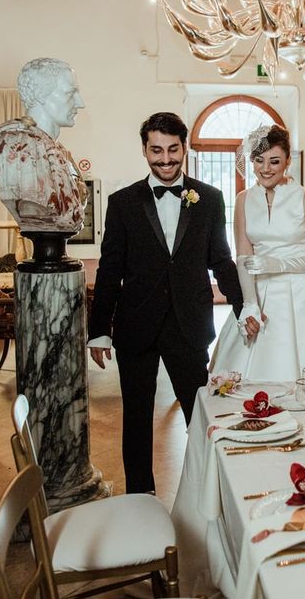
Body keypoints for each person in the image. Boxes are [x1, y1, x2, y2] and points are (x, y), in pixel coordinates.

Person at [87, 112, 258, 494]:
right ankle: (140, 495)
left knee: (200, 414)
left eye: (173, 150)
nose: (165, 159)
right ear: (145, 149)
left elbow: (220, 259)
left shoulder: (210, 199)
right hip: (136, 326)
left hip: (189, 324)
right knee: (137, 418)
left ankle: (208, 489)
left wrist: (243, 305)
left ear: (185, 147)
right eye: (156, 150)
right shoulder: (122, 202)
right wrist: (99, 330)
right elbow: (110, 268)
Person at [210, 123, 305, 382]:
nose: (265, 168)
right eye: (259, 160)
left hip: (297, 295)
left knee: (302, 372)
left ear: (288, 161)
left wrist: (278, 264)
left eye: (274, 161)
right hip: (258, 293)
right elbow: (243, 257)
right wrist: (250, 305)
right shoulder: (244, 199)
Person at [0, 58, 87, 233]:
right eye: (70, 93)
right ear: (40, 94)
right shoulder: (16, 145)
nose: (80, 103)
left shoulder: (58, 151)